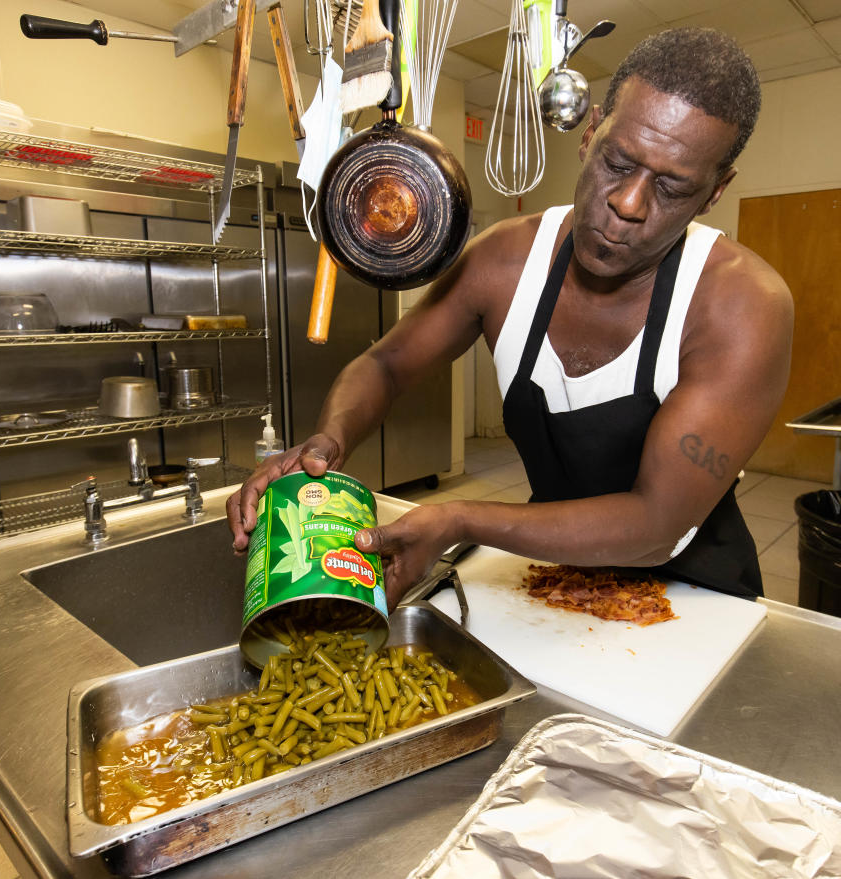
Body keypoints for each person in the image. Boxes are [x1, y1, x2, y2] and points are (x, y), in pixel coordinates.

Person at [228, 27, 793, 609]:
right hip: (555, 571)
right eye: (618, 162)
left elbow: (656, 525)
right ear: (591, 131)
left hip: (696, 594)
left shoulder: (739, 305)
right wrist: (330, 438)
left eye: (672, 188)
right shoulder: (504, 261)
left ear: (715, 191)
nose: (629, 204)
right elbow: (389, 363)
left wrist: (458, 519)